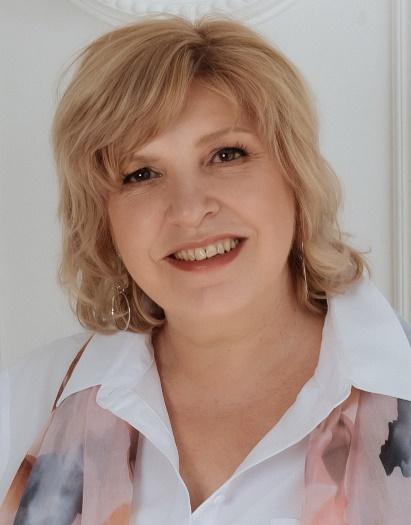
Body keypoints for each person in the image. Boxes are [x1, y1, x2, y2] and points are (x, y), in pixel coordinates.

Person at [1, 12, 411, 525]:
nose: (190, 209)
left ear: (295, 176)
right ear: (103, 220)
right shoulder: (22, 404)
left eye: (226, 154)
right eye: (141, 173)